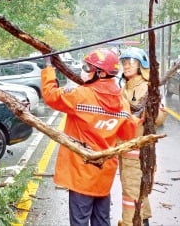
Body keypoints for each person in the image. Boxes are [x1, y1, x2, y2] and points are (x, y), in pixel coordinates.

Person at [41, 48, 140, 226]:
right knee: (101, 221)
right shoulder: (122, 103)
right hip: (104, 173)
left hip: (81, 172)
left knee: (79, 221)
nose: (85, 71)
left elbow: (50, 96)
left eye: (88, 68)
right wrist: (136, 118)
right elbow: (127, 134)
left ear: (101, 73)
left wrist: (48, 67)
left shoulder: (81, 96)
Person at [118, 47, 167, 226]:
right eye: (124, 62)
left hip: (138, 152)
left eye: (131, 61)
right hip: (124, 149)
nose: (126, 65)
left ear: (141, 64)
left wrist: (149, 112)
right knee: (136, 192)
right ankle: (142, 221)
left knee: (131, 194)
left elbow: (160, 118)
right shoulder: (124, 88)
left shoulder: (147, 88)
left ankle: (131, 223)